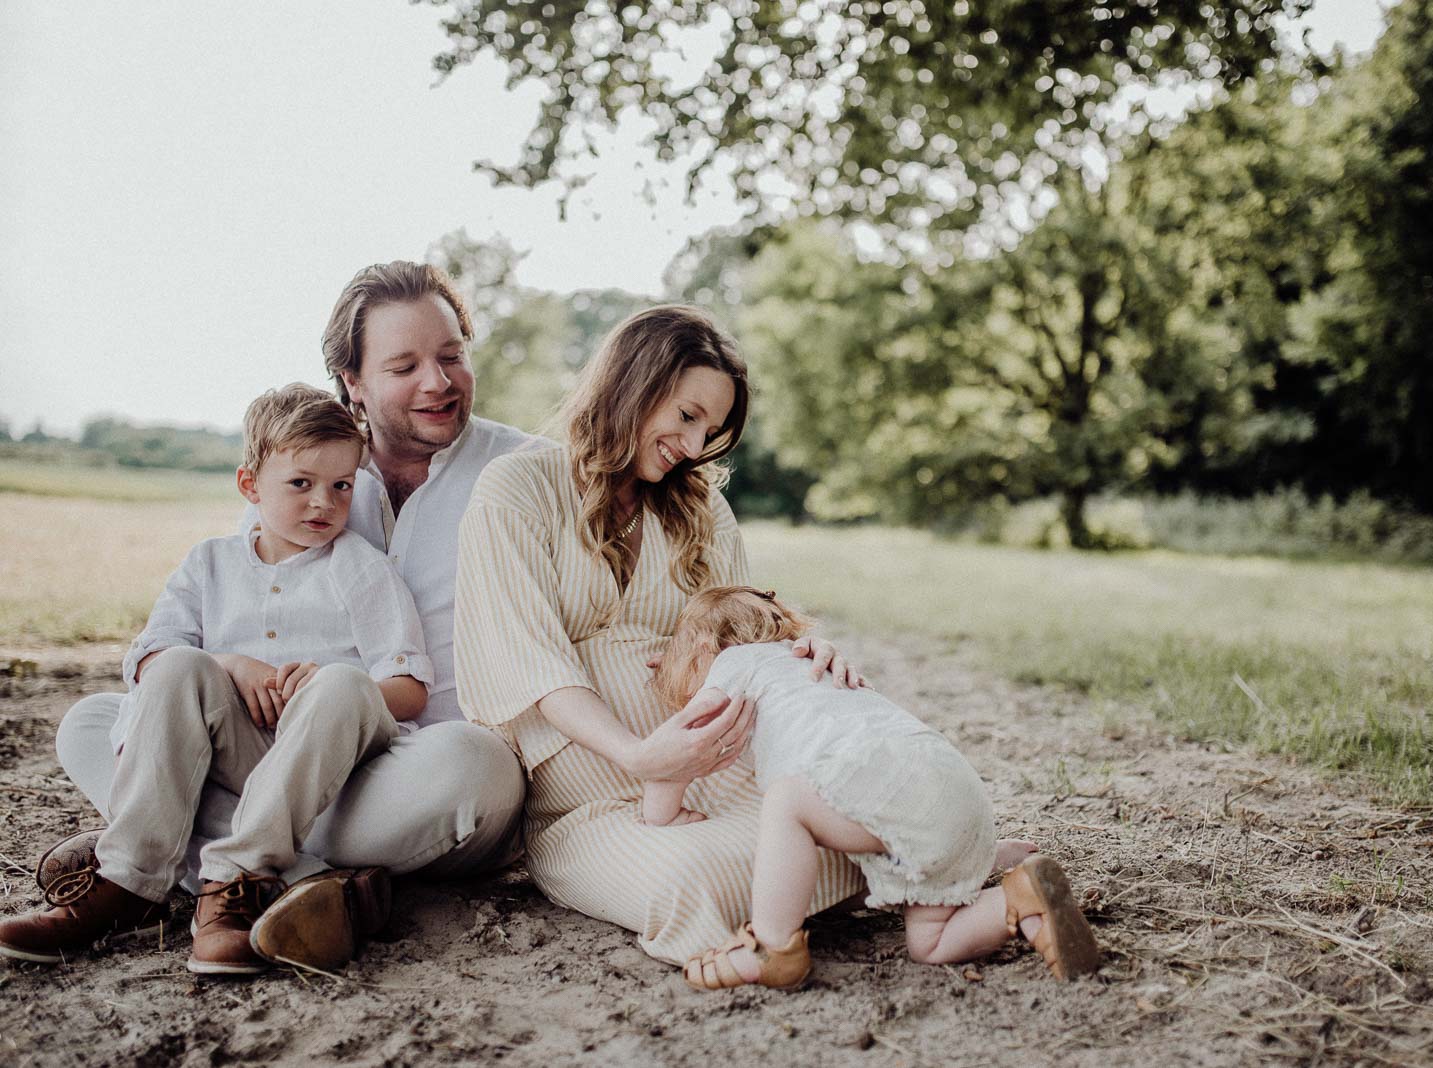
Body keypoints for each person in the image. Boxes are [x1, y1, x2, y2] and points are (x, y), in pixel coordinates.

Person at [49, 262, 534, 967]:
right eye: (405, 365)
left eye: (453, 355)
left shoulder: (525, 472)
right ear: (354, 381)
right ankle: (309, 884)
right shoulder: (305, 480)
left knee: (480, 766)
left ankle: (179, 853)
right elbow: (185, 646)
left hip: (401, 780)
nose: (439, 380)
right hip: (264, 763)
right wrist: (227, 667)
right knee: (91, 722)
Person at [454, 305, 869, 964]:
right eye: (687, 415)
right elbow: (530, 664)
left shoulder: (704, 512)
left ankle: (981, 880)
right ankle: (823, 896)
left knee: (868, 810)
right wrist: (640, 755)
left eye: (713, 430)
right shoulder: (518, 489)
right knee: (686, 882)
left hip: (718, 770)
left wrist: (796, 654)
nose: (697, 446)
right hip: (593, 803)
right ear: (631, 383)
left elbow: (744, 645)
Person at [0, 385, 431, 974]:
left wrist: (325, 685)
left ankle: (237, 879)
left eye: (341, 486)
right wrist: (228, 663)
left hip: (326, 765)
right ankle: (130, 881)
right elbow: (148, 659)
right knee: (179, 664)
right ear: (250, 485)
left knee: (341, 683)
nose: (323, 503)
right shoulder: (211, 562)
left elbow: (408, 689)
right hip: (239, 753)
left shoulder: (360, 569)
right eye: (300, 483)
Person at [645, 585, 1101, 990]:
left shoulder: (730, 662)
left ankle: (771, 947)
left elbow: (683, 739)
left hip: (892, 793)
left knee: (788, 800)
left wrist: (661, 802)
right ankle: (1017, 896)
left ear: (704, 647)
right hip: (952, 786)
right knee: (930, 944)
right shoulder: (808, 660)